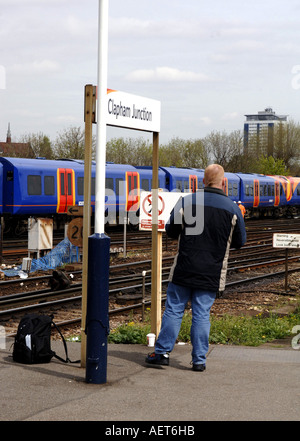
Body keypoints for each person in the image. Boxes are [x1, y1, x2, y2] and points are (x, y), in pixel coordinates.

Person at [145, 164, 247, 371]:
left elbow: (172, 230)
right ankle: (199, 360)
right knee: (201, 313)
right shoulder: (232, 208)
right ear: (223, 182)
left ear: (203, 181)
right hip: (212, 271)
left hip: (184, 267)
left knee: (174, 309)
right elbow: (240, 242)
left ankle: (162, 352)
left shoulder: (188, 201)